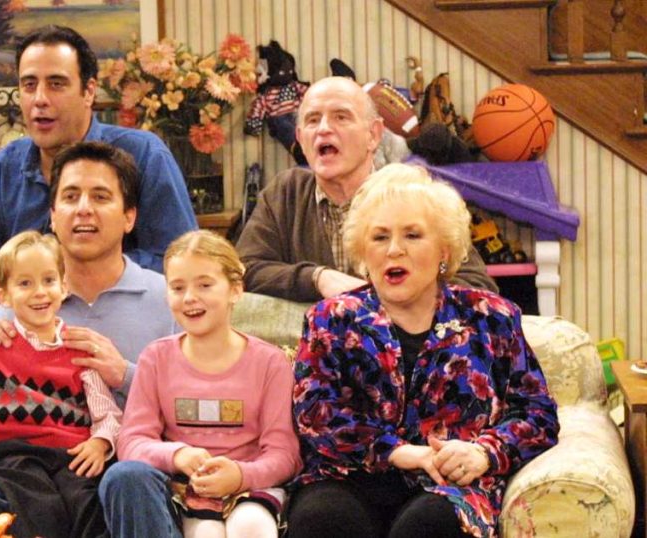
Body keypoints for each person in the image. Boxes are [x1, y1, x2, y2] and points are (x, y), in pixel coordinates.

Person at [286, 164, 559, 538]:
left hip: (450, 483)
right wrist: (398, 452)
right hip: (349, 476)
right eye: (379, 237)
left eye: (412, 235)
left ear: (444, 250)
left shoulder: (491, 317)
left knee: (427, 526)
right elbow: (315, 414)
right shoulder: (329, 319)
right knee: (323, 520)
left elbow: (537, 413)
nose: (394, 249)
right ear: (363, 252)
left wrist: (484, 452)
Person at [0, 142, 179, 523]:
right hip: (28, 473)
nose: (83, 208)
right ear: (52, 216)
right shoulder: (18, 309)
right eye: (70, 196)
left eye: (100, 196)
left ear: (129, 217)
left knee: (127, 477)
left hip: (125, 469)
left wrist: (125, 375)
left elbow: (195, 398)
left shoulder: (170, 297)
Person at [0, 24, 197, 314]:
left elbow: (188, 268)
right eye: (29, 85)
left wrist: (90, 272)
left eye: (56, 84)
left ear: (89, 91)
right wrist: (40, 277)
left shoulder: (145, 156)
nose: (40, 99)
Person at [99, 230, 301, 538]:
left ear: (236, 290)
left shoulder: (270, 362)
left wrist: (240, 475)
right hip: (182, 490)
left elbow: (285, 453)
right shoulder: (156, 357)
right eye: (177, 287)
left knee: (250, 524)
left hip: (251, 487)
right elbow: (132, 441)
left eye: (205, 285)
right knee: (203, 530)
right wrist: (177, 455)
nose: (190, 297)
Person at [236, 76, 497, 303]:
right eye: (313, 120)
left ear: (373, 135)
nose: (324, 129)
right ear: (301, 139)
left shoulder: (413, 194)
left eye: (341, 117)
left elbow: (478, 286)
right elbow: (243, 270)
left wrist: (401, 296)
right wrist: (318, 278)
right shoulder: (285, 193)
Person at [0, 230, 122, 537]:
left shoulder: (79, 351)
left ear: (64, 286)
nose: (39, 292)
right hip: (11, 458)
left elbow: (108, 414)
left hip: (71, 458)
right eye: (25, 283)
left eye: (48, 280)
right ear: (3, 294)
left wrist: (100, 442)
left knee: (87, 502)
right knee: (33, 501)